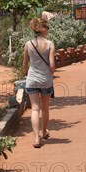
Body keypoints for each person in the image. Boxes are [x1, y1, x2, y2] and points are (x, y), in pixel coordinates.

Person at [24, 17, 56, 148]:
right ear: (43, 29)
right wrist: (50, 73)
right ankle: (44, 132)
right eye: (47, 27)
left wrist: (27, 74)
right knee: (45, 107)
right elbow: (52, 66)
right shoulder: (50, 44)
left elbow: (25, 64)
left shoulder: (28, 44)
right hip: (45, 80)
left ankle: (37, 139)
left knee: (35, 109)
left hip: (32, 79)